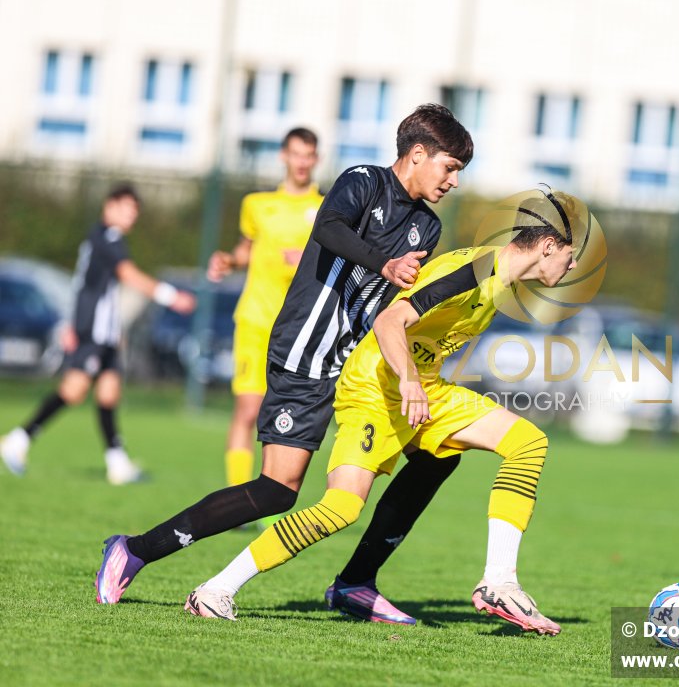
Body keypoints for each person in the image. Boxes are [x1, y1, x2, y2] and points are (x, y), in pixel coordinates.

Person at [94, 105, 473, 620]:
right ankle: (135, 550)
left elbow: (391, 308)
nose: (453, 181)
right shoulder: (363, 182)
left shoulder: (426, 227)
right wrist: (382, 263)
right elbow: (329, 227)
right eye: (449, 167)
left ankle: (357, 582)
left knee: (437, 453)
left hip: (356, 368)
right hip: (304, 355)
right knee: (277, 490)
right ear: (418, 154)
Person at [184, 189, 582, 636]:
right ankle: (216, 589)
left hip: (425, 388)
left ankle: (499, 582)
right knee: (341, 508)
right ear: (548, 245)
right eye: (570, 256)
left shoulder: (502, 279)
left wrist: (417, 381)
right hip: (375, 385)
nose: (572, 267)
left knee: (528, 442)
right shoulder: (474, 270)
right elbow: (390, 321)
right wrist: (409, 379)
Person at [1, 184, 197, 484]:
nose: (132, 216)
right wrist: (171, 296)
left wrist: (108, 328)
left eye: (135, 211)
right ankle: (19, 439)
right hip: (93, 332)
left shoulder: (100, 238)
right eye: (127, 209)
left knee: (109, 393)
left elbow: (90, 287)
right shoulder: (109, 237)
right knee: (74, 390)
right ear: (109, 207)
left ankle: (116, 463)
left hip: (104, 333)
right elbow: (127, 275)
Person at [207, 127, 322, 491]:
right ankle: (237, 502)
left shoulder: (326, 209)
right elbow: (247, 249)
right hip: (256, 320)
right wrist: (228, 260)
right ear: (283, 156)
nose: (302, 162)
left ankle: (271, 497)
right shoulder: (257, 204)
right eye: (296, 153)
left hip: (300, 328)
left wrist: (307, 258)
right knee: (247, 410)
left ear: (316, 159)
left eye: (309, 155)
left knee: (285, 418)